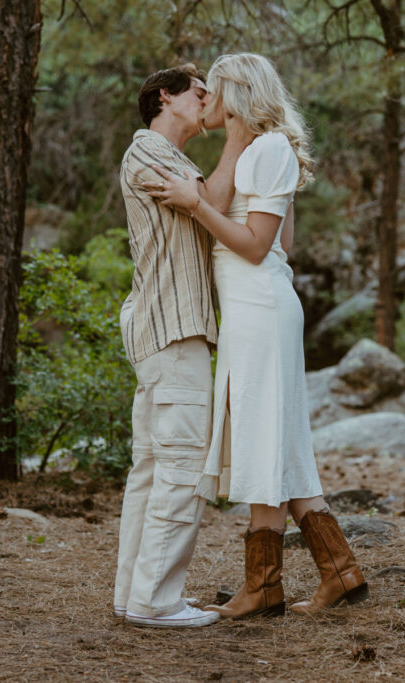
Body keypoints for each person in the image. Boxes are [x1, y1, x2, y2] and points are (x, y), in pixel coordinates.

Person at [148, 53, 370, 619]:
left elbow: (256, 245)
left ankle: (272, 583)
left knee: (265, 436)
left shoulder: (269, 150)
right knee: (272, 440)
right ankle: (327, 574)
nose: (204, 100)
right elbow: (232, 209)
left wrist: (194, 204)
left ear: (236, 93)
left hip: (262, 308)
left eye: (212, 90)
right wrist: (230, 144)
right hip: (250, 308)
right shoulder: (253, 147)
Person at [113, 64, 250, 628]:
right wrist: (240, 137)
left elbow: (203, 201)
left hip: (168, 330)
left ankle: (133, 596)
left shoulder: (175, 160)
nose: (208, 100)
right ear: (164, 97)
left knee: (151, 468)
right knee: (180, 466)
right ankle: (157, 601)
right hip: (171, 331)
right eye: (199, 92)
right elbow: (211, 199)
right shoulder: (148, 151)